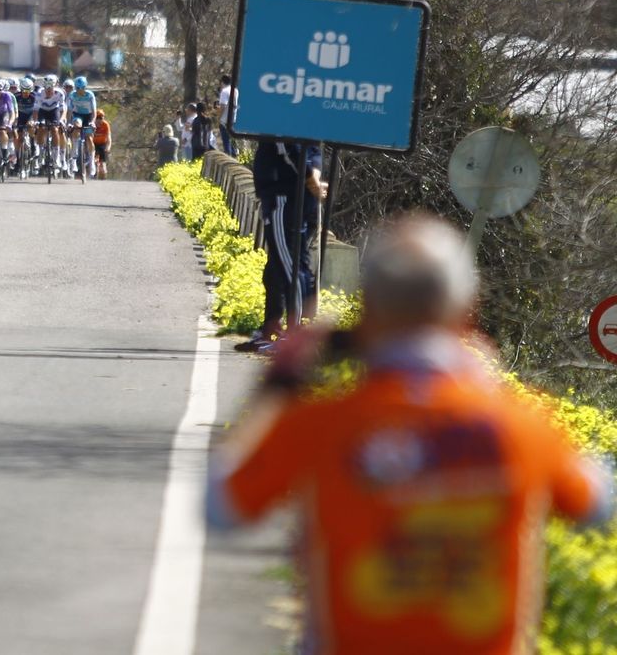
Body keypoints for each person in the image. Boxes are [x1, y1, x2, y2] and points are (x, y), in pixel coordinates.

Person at [208, 213, 614, 654]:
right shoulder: (521, 424)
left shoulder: (320, 423)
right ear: (466, 314)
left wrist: (277, 388)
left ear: (367, 312)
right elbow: (596, 503)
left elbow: (220, 509)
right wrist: (486, 383)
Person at [238, 140, 324, 352]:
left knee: (291, 269)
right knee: (276, 270)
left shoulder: (284, 124)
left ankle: (296, 336)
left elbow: (291, 148)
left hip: (284, 198)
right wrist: (313, 176)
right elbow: (313, 151)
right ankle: (272, 330)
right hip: (290, 196)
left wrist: (310, 178)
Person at [216, 73, 238, 156]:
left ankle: (228, 157)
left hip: (224, 120)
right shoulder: (235, 90)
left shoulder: (224, 91)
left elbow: (223, 106)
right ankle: (235, 157)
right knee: (232, 142)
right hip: (233, 119)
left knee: (226, 143)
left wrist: (219, 117)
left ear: (222, 82)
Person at [90, 110, 112, 179]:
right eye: (97, 118)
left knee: (103, 164)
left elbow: (109, 137)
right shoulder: (92, 125)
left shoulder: (105, 125)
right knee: (94, 160)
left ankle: (103, 175)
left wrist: (108, 147)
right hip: (93, 144)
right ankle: (93, 172)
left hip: (102, 144)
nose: (99, 120)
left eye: (101, 118)